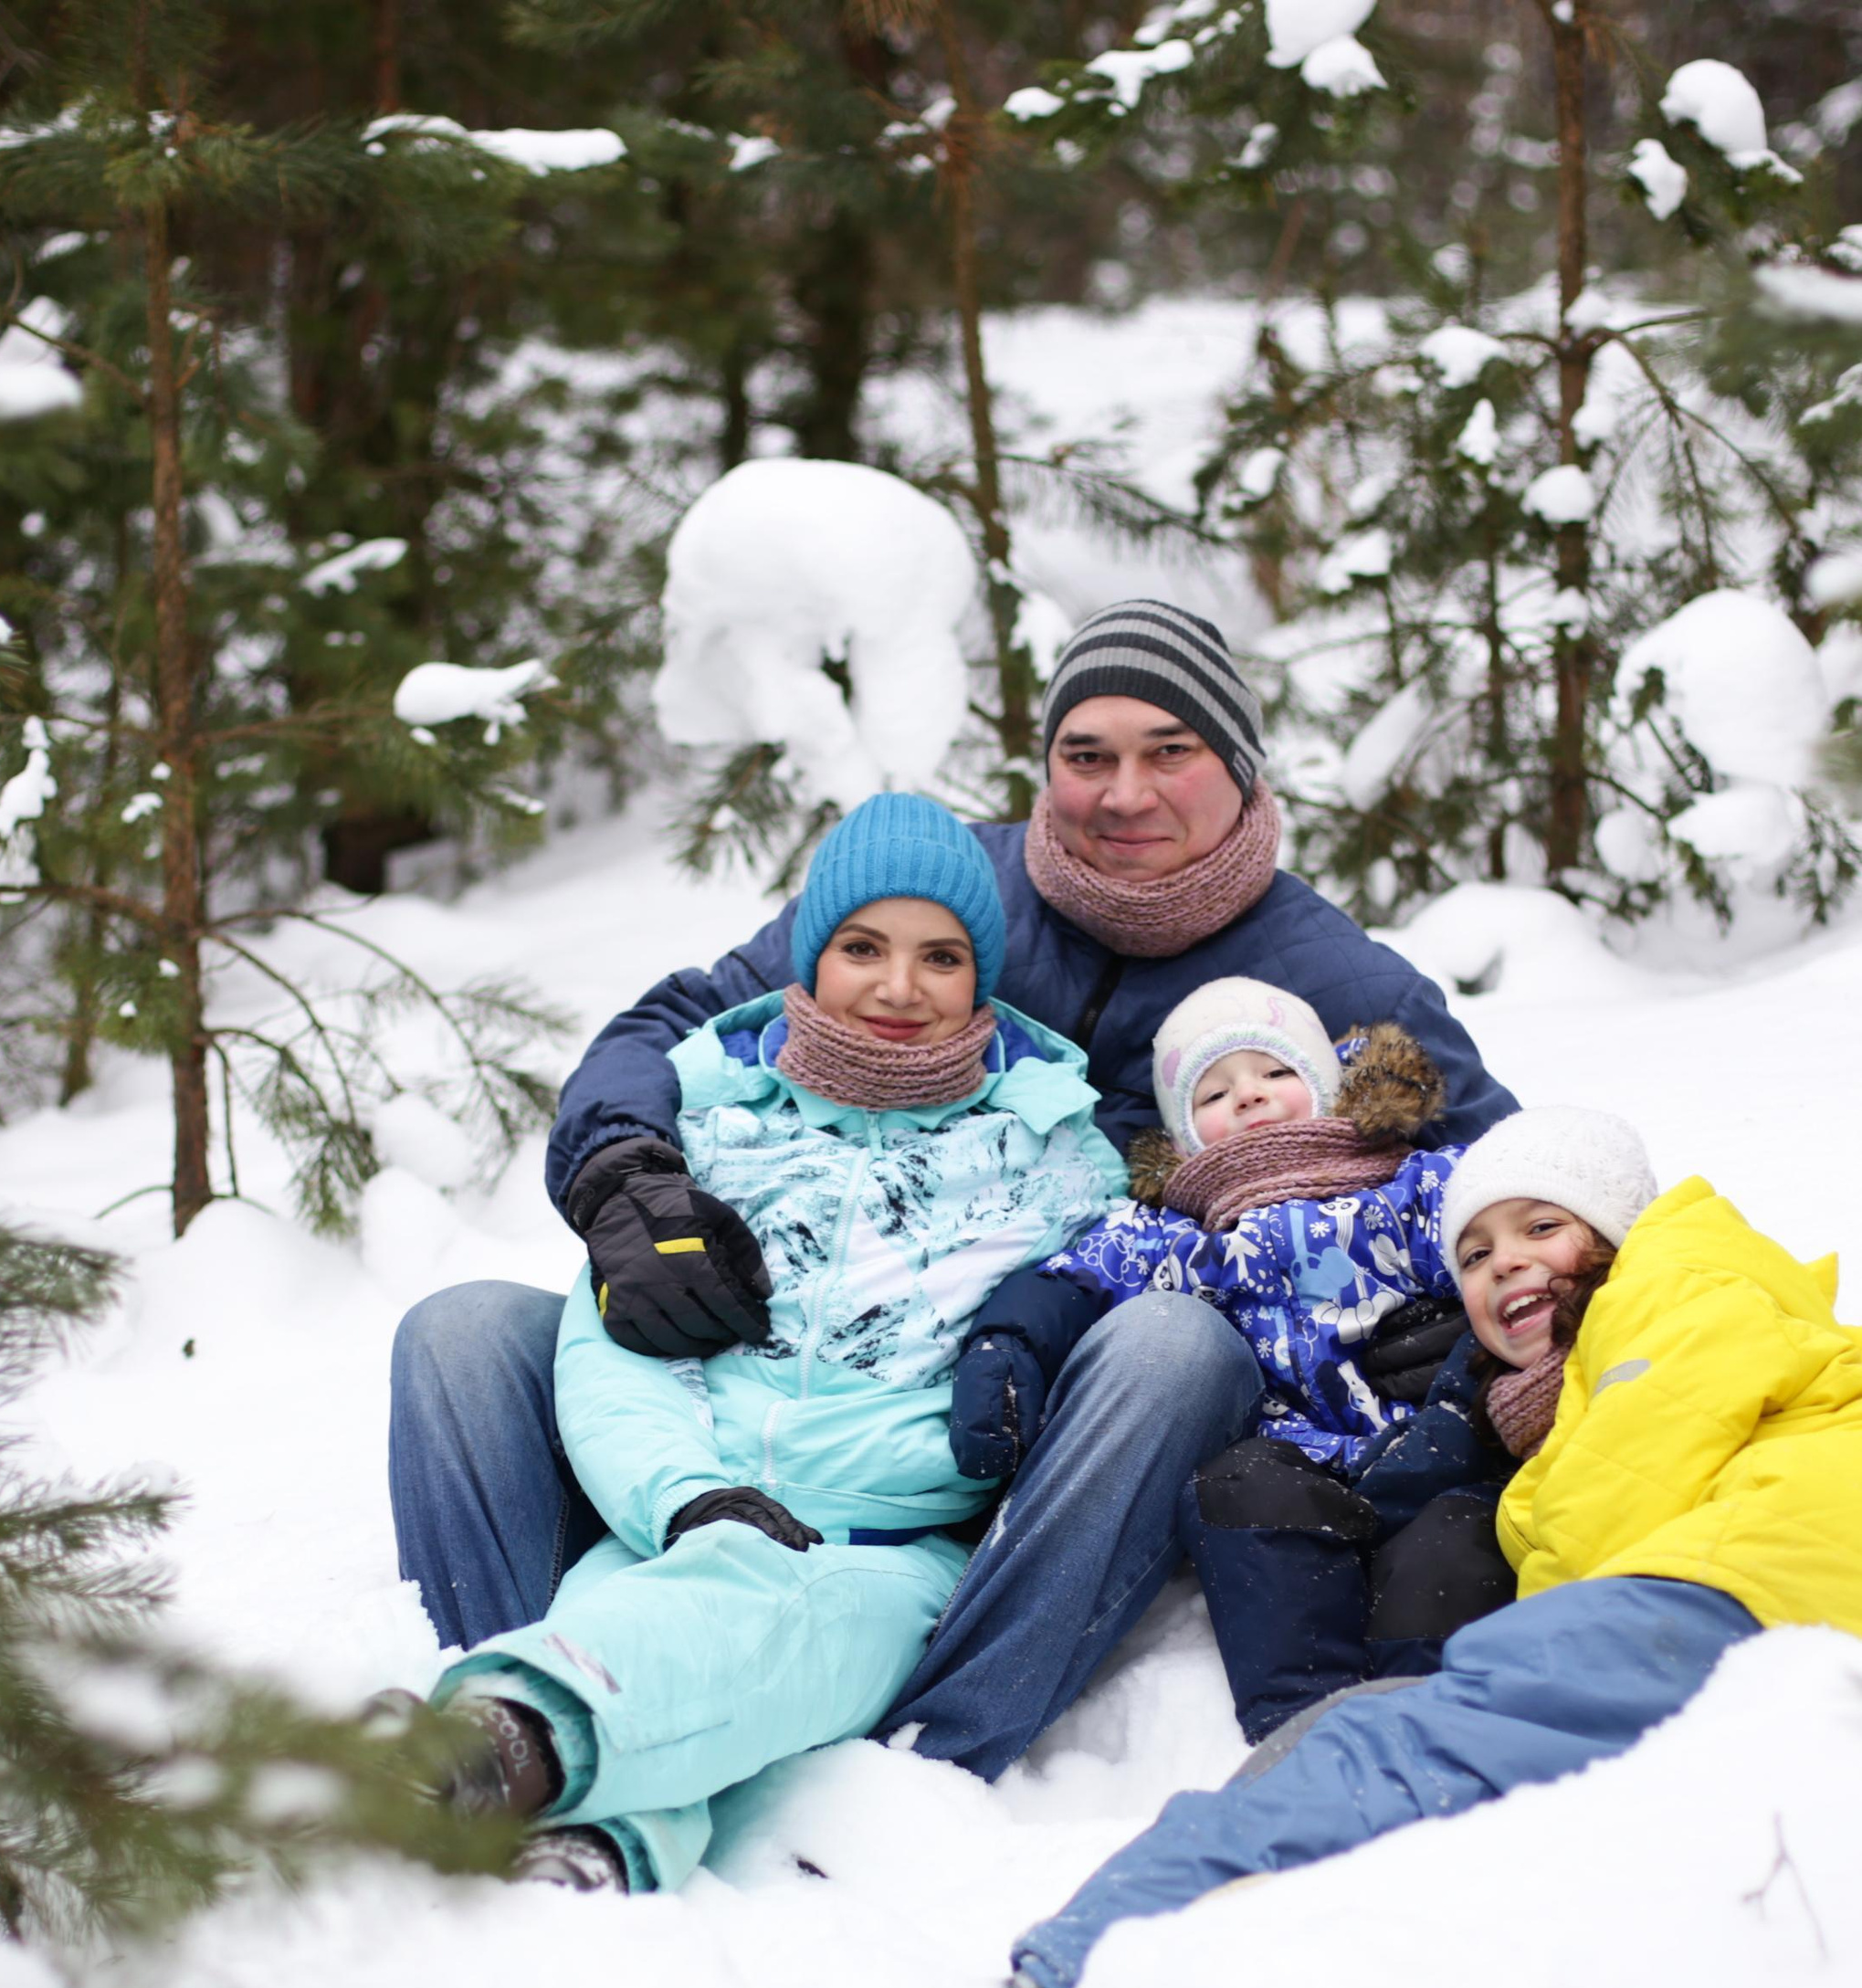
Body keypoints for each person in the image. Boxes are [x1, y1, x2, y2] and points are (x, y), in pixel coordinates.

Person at [389, 601, 1517, 1783]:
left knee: (1175, 1345)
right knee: (462, 1336)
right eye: (1088, 756)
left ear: (1240, 765)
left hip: (999, 1427)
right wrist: (629, 1174)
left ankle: (933, 1747)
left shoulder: (1335, 978)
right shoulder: (940, 892)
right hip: (744, 1391)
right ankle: (505, 1730)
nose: (1124, 793)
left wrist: (1463, 1333)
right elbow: (685, 1022)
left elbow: (1519, 1192)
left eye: (1169, 752)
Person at [1004, 1105, 1862, 1988]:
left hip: (1753, 1581)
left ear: (1619, 1230)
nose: (1507, 1267)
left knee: (1397, 1743)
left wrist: (1516, 1634)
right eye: (1477, 1254)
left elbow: (1613, 1496)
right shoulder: (1652, 1343)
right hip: (1823, 1597)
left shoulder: (1679, 1277)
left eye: (1544, 1228)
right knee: (1400, 1740)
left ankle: (1100, 1949)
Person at [412, 795, 1120, 1890]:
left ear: (981, 978)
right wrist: (687, 1497)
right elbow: (614, 1345)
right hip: (674, 1522)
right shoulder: (711, 1120)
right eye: (862, 947)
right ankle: (595, 1857)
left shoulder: (1053, 1161)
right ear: (810, 952)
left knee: (744, 1629)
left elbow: (1083, 1317)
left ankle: (478, 1743)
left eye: (940, 956)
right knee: (667, 1655)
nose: (898, 986)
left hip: (879, 1558)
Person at [951, 976, 1503, 1744]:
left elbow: (1517, 1238)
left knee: (1446, 1556)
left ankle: (1451, 1731)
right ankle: (1304, 1736)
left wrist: (1458, 1386)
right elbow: (1072, 1280)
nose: (1250, 1097)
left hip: (1432, 1447)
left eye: (1278, 1073)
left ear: (1332, 1089)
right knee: (1237, 1500)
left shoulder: (1415, 1186)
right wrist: (1007, 1342)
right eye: (1213, 1091)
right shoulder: (1173, 1233)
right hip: (1292, 1463)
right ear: (1182, 1136)